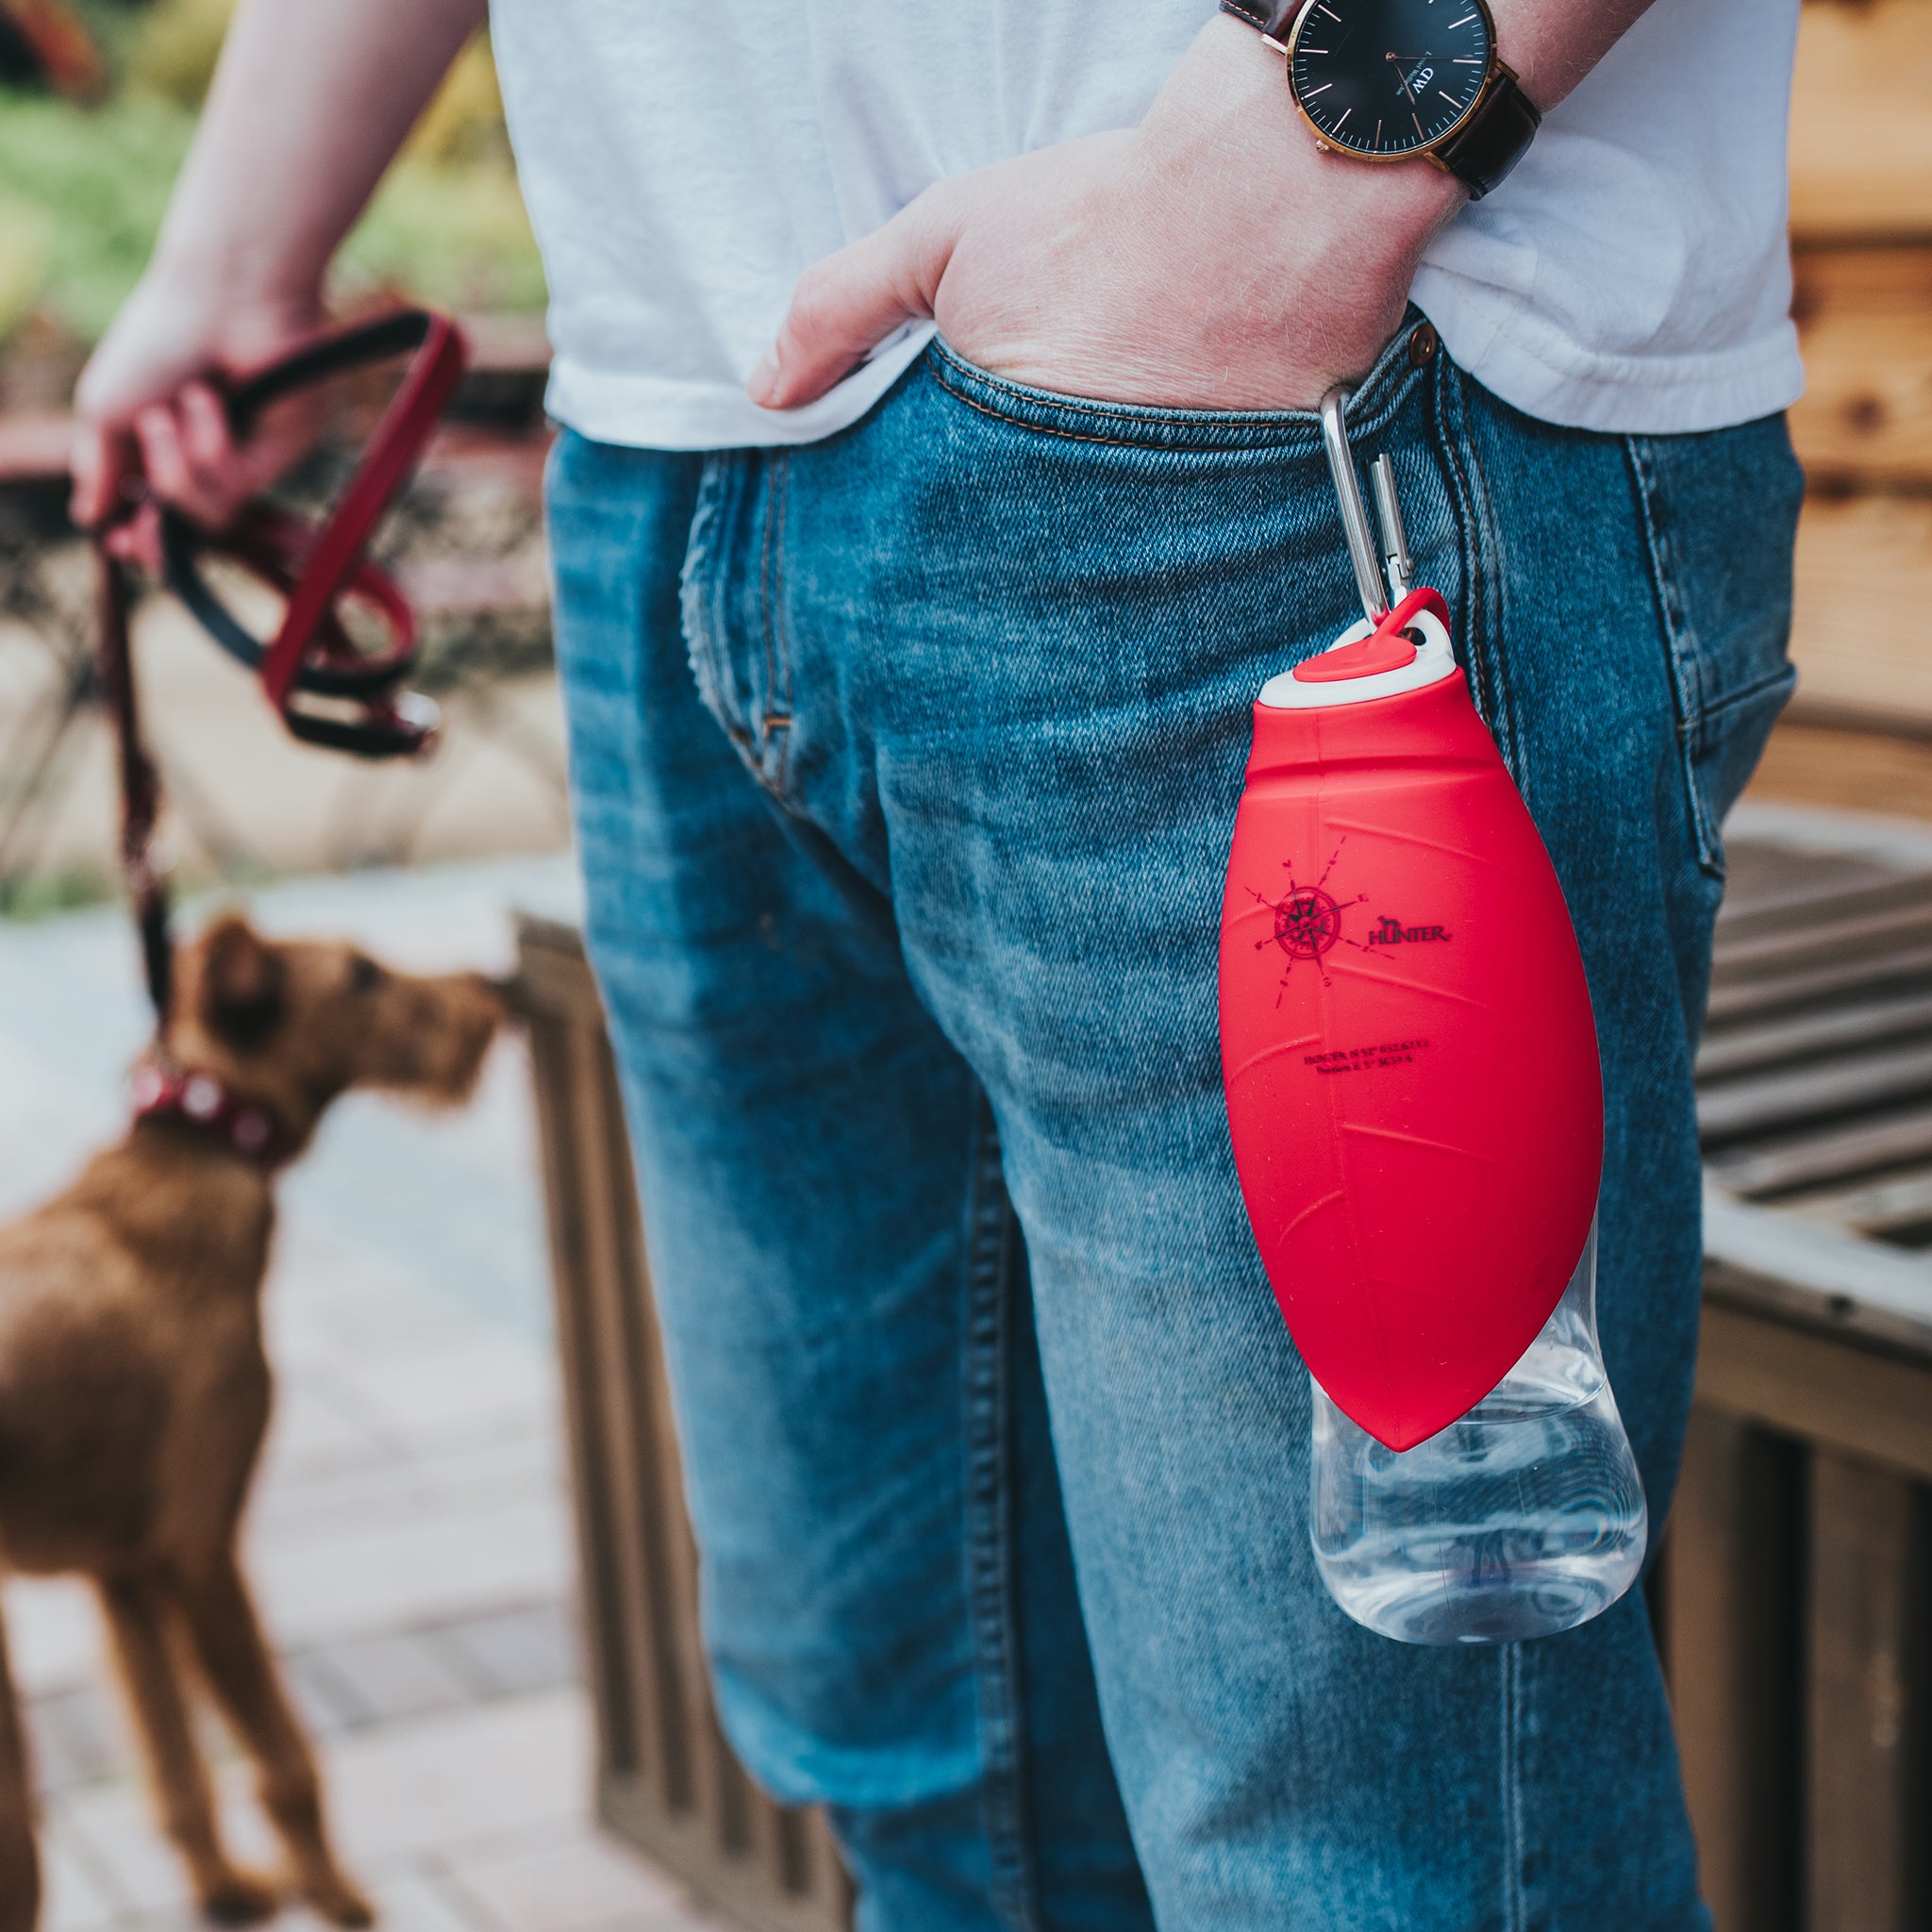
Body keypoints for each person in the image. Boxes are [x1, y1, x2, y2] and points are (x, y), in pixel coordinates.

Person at [74, 0, 1805, 1923]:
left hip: (1288, 406)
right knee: (912, 1760)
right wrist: (243, 243)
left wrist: (1336, 136)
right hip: (674, 428)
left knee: (1375, 1852)